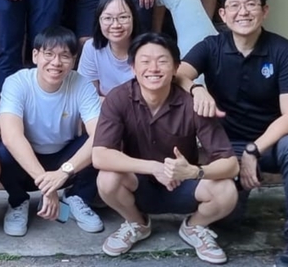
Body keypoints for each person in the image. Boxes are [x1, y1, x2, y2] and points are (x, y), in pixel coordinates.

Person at [177, 0, 288, 267]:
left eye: (251, 4)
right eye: (234, 6)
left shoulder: (283, 51)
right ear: (223, 14)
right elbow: (178, 74)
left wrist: (254, 150)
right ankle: (238, 193)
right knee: (229, 221)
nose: (243, 12)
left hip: (272, 144)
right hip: (227, 146)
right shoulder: (211, 46)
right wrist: (197, 88)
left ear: (265, 11)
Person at [93, 33, 237, 264]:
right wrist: (154, 167)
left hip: (184, 185)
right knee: (107, 179)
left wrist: (194, 172)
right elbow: (100, 155)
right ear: (133, 68)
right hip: (138, 186)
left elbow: (230, 164)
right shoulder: (118, 98)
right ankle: (137, 223)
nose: (153, 68)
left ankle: (194, 227)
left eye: (162, 61)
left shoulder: (193, 103)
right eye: (145, 61)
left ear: (176, 68)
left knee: (227, 190)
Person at [0, 27, 104, 236]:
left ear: (74, 60)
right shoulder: (17, 82)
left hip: (65, 159)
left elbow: (100, 136)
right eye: (49, 54)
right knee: (3, 150)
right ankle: (18, 201)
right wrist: (49, 186)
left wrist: (63, 172)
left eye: (65, 56)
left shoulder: (81, 84)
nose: (56, 62)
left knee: (102, 144)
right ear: (35, 55)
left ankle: (77, 198)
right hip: (26, 162)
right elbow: (11, 136)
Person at [78, 0, 140, 97]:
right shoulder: (91, 48)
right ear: (99, 21)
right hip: (103, 107)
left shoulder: (148, 49)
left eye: (123, 17)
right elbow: (88, 97)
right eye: (108, 18)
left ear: (133, 19)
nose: (116, 25)